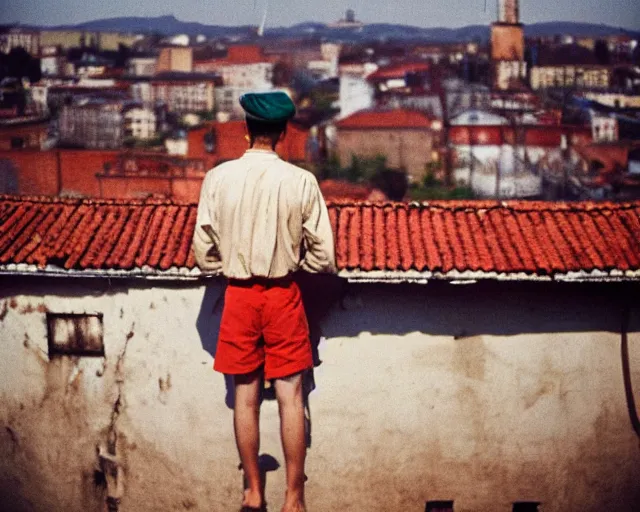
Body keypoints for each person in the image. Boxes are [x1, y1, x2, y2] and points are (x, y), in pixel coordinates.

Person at [193, 91, 336, 512]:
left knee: (245, 397)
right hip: (283, 295)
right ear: (282, 133)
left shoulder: (218, 178)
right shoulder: (301, 182)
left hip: (237, 296)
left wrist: (230, 260)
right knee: (291, 396)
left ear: (246, 130)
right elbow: (324, 257)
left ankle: (253, 491)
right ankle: (295, 497)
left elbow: (203, 253)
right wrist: (292, 261)